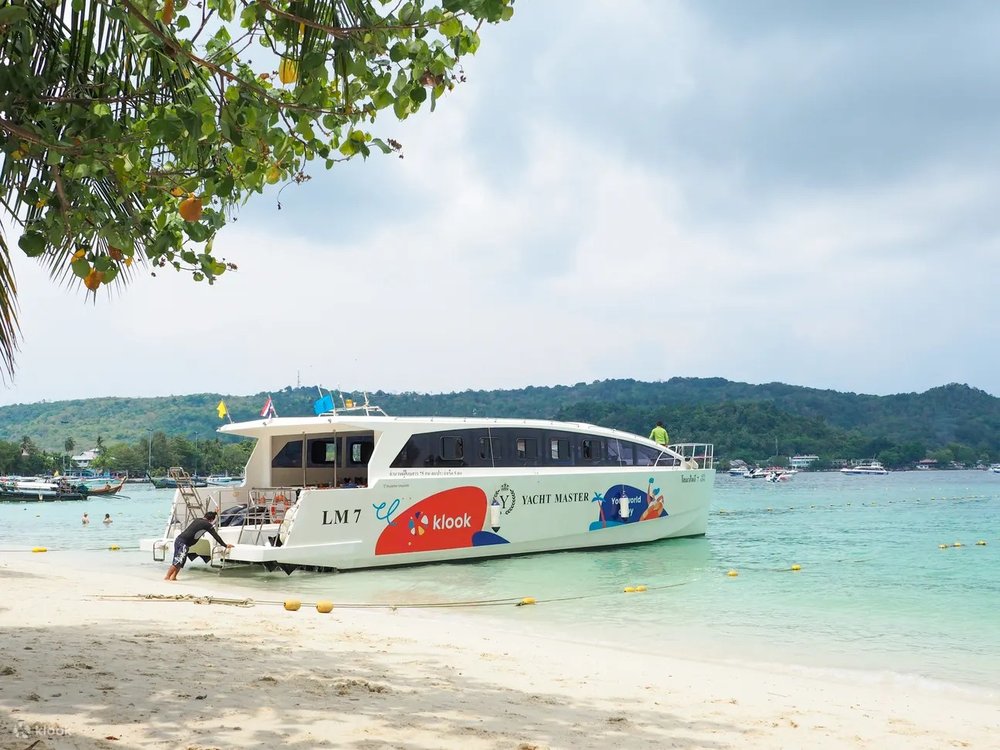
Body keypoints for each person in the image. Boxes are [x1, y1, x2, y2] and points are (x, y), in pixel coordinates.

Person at [164, 511, 233, 581]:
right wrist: (225, 545)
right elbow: (216, 536)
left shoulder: (197, 520)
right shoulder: (207, 525)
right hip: (183, 543)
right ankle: (167, 577)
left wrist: (215, 512)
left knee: (180, 561)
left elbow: (208, 519)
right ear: (211, 520)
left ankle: (173, 577)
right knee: (178, 561)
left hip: (179, 540)